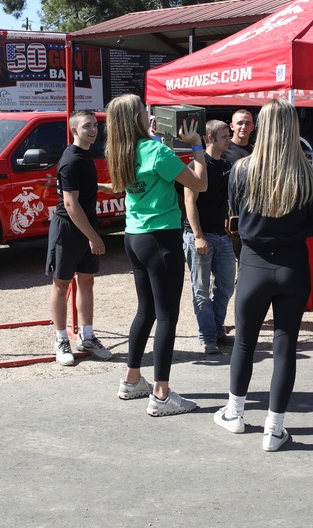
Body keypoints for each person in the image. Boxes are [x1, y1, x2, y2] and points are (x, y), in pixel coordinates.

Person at [212, 99, 313, 452]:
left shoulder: (242, 169)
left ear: (263, 126)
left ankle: (235, 412)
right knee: (285, 346)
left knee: (244, 342)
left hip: (255, 264)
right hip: (293, 264)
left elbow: (232, 216)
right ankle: (274, 429)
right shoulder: (307, 173)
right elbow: (311, 226)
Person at [106, 94, 208, 417]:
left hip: (134, 236)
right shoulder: (155, 151)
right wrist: (196, 146)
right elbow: (199, 183)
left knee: (146, 310)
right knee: (166, 316)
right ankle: (161, 394)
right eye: (143, 110)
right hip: (160, 238)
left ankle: (132, 378)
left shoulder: (119, 150)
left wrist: (153, 138)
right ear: (136, 117)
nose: (147, 113)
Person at [45, 110, 114, 366]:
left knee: (86, 282)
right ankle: (61, 339)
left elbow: (85, 188)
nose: (93, 130)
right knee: (61, 284)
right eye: (87, 126)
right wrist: (93, 237)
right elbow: (70, 204)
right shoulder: (71, 159)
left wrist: (109, 187)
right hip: (69, 229)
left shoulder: (85, 156)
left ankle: (86, 336)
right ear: (74, 130)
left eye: (95, 125)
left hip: (86, 225)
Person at [183, 119, 235, 355]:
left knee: (226, 285)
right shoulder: (196, 164)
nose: (229, 139)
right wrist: (198, 236)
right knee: (201, 289)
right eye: (224, 136)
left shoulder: (226, 164)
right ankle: (207, 336)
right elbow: (189, 202)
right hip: (200, 236)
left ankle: (216, 329)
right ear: (211, 138)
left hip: (220, 235)